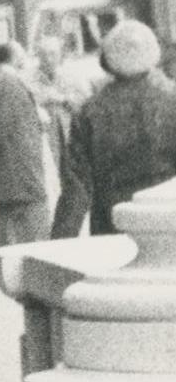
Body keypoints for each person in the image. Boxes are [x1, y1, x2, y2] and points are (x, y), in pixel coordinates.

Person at [50, 17, 176, 237]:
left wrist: (58, 244)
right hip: (165, 227)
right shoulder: (170, 105)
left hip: (110, 228)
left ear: (107, 60)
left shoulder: (89, 112)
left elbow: (76, 190)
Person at [0, 39, 57, 248]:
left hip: (14, 172)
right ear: (14, 57)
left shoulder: (2, 83)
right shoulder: (8, 85)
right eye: (22, 54)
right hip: (20, 172)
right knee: (31, 236)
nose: (26, 58)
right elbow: (1, 128)